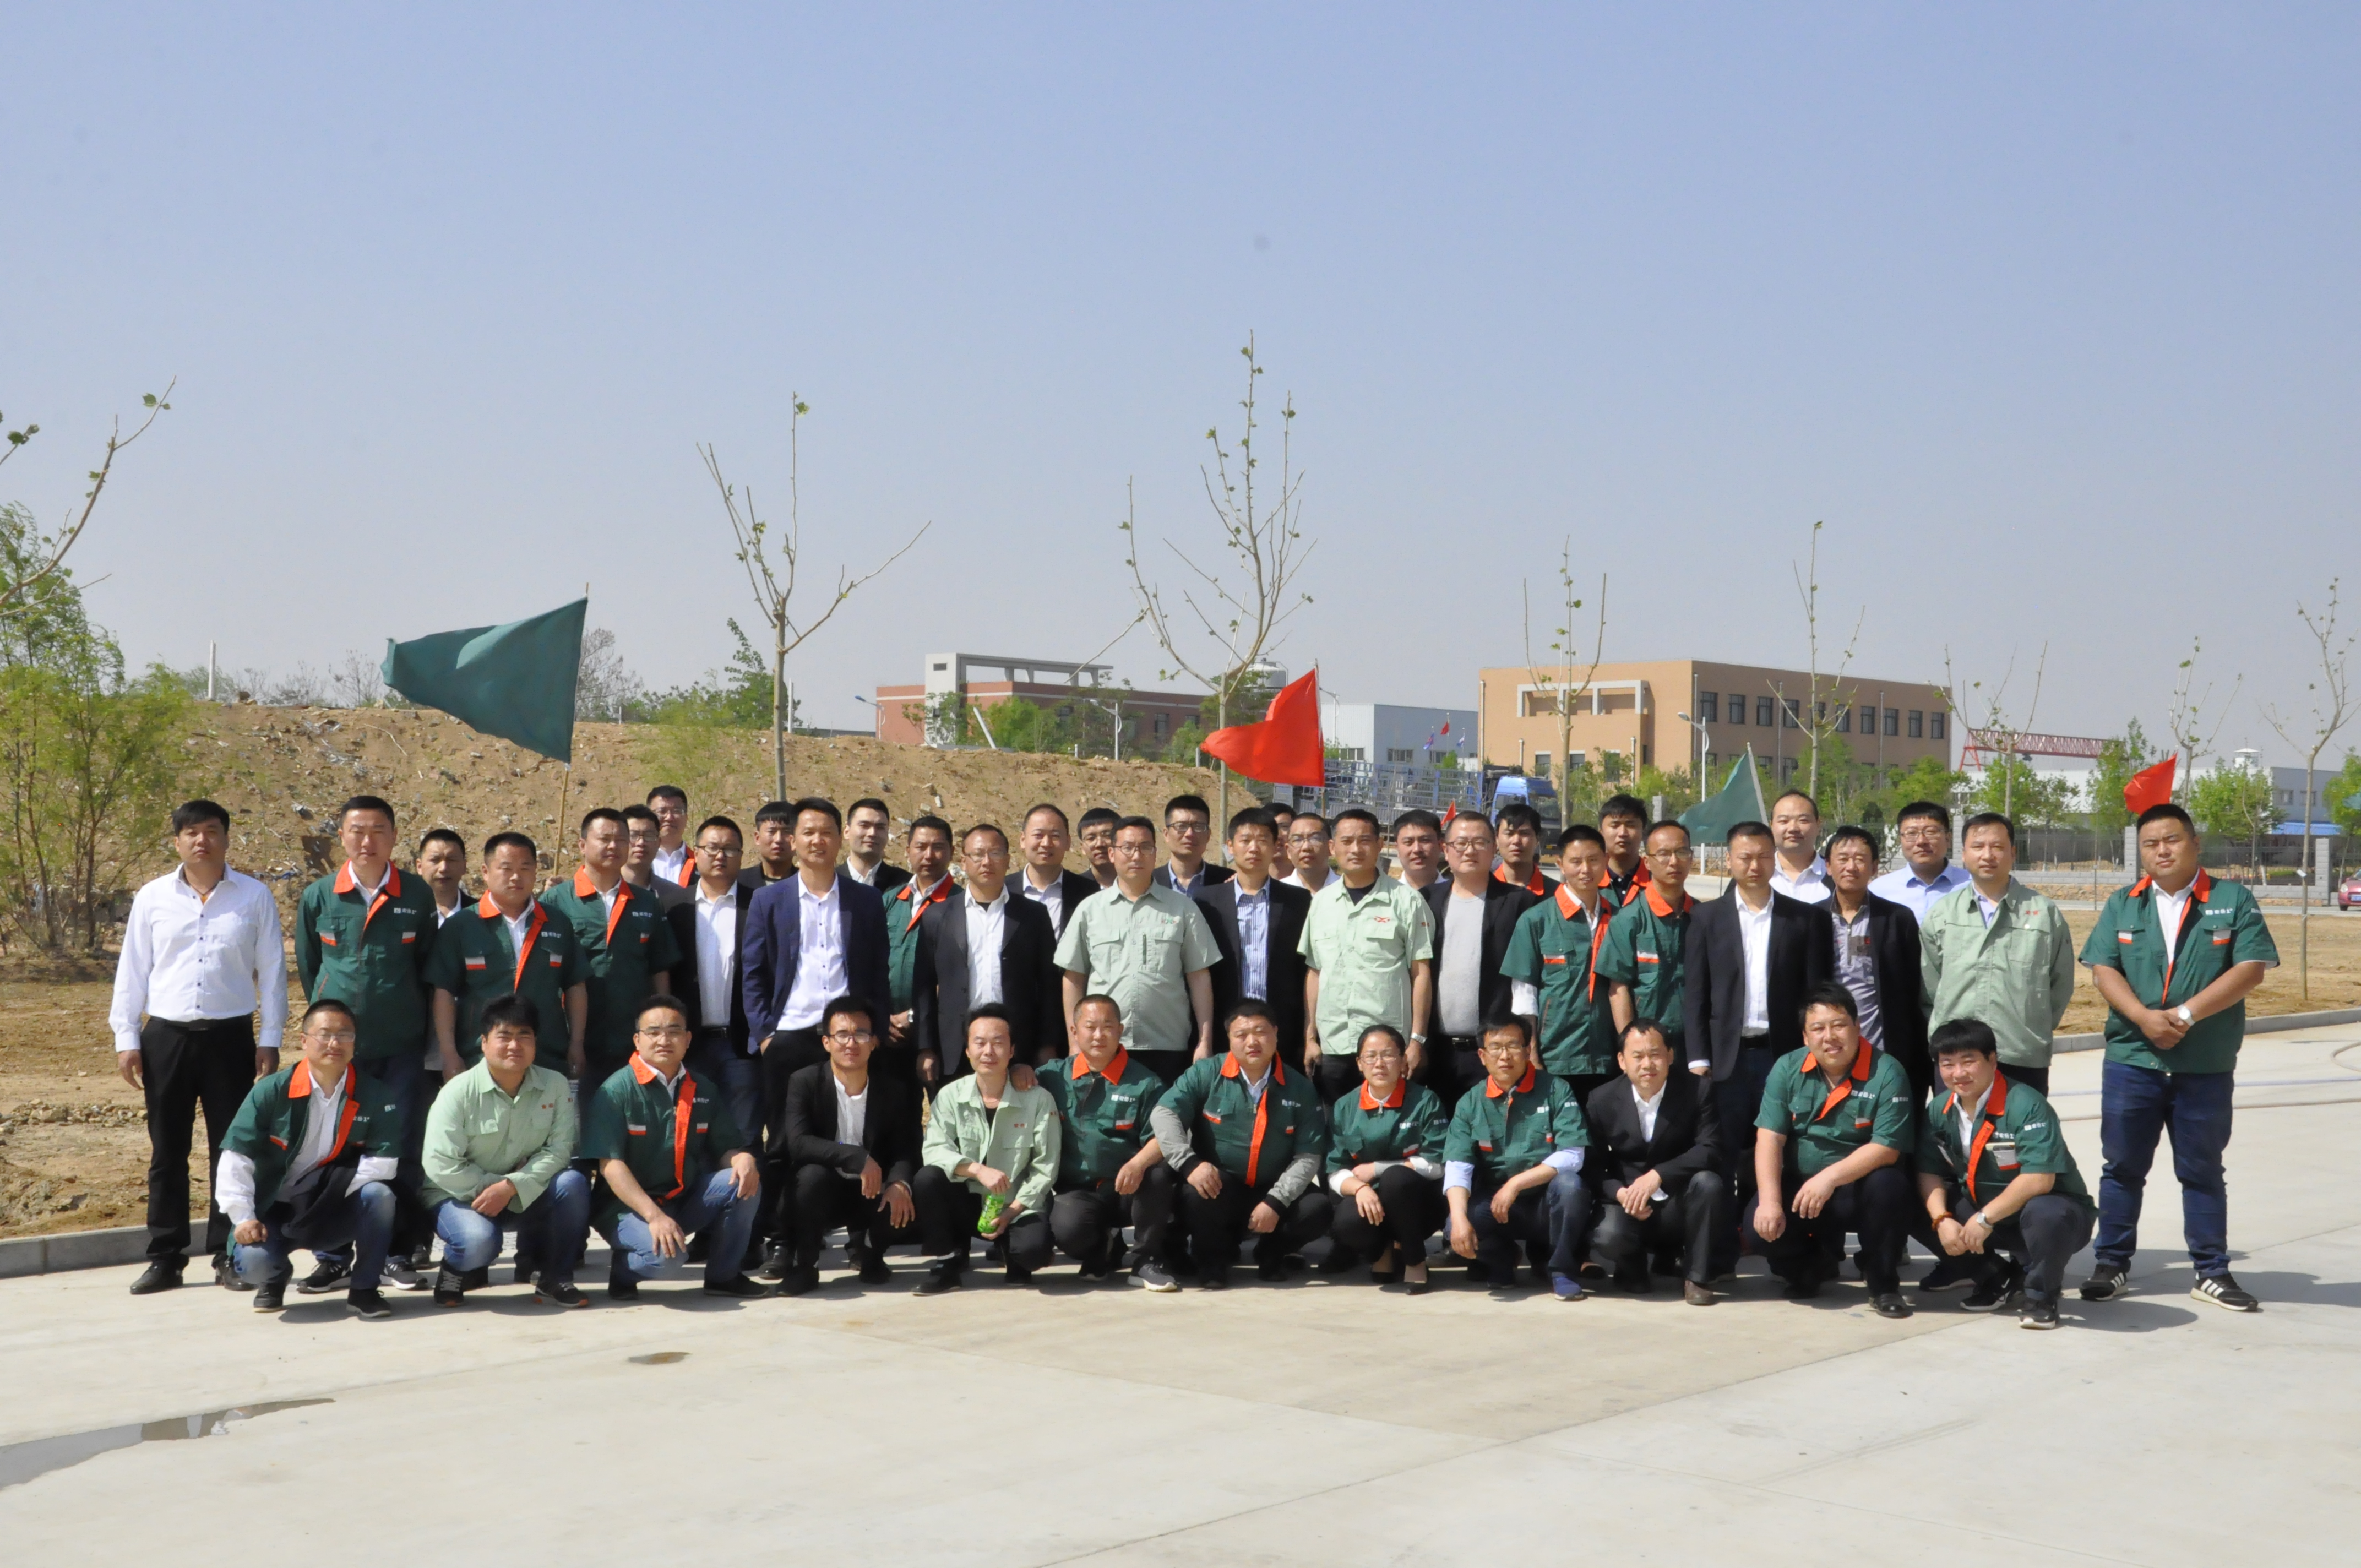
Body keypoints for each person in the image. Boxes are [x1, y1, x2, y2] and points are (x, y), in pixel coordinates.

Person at [2077, 802, 2276, 1312]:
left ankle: (2212, 1271)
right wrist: (2143, 1018)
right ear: (2140, 851)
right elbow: (2103, 969)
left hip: (2204, 1065)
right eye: (2151, 843)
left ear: (2194, 843)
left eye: (2172, 839)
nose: (2162, 850)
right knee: (2122, 1167)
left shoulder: (2232, 900)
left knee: (2202, 1170)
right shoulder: (2123, 903)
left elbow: (2251, 968)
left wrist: (2184, 1015)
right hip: (2133, 1061)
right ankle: (2111, 1265)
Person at [112, 799, 287, 1295]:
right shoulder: (153, 897)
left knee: (230, 1152)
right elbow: (133, 970)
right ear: (177, 842)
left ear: (227, 839)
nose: (201, 841)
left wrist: (270, 1038)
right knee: (168, 1151)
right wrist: (127, 1037)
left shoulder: (254, 896)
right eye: (191, 832)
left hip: (230, 1039)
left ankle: (226, 1254)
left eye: (211, 831)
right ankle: (165, 1258)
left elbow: (273, 973)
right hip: (166, 1037)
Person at [295, 794, 439, 1291]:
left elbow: (426, 968)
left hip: (400, 1048)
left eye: (378, 830)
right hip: (338, 1054)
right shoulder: (319, 896)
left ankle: (398, 1252)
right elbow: (311, 968)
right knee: (333, 1148)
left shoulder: (416, 895)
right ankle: (332, 1254)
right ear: (342, 837)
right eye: (357, 830)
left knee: (399, 1147)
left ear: (394, 837)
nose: (367, 840)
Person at [742, 797, 893, 1254]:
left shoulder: (865, 900)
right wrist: (766, 1035)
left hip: (851, 1039)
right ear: (792, 840)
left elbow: (878, 972)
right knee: (784, 1142)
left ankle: (862, 1237)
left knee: (858, 1134)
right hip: (790, 1036)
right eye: (808, 832)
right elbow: (753, 973)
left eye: (827, 832)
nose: (817, 841)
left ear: (840, 837)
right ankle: (784, 1240)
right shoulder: (769, 900)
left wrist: (875, 1030)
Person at [1684, 818, 1835, 1270]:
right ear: (1729, 860)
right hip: (1724, 1060)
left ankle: (1784, 1252)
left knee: (1782, 1154)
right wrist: (1698, 1059)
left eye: (1763, 857)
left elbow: (1817, 995)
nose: (1755, 865)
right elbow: (1696, 994)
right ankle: (1718, 1258)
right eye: (1745, 857)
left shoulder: (1805, 919)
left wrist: (1814, 1057)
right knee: (1723, 1155)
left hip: (1783, 1057)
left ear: (1775, 859)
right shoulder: (1706, 918)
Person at [216, 999, 400, 1319]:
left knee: (380, 1196)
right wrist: (243, 1217)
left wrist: (323, 1197)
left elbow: (384, 1163)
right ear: (304, 1040)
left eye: (345, 1035)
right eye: (324, 1034)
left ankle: (365, 1290)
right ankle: (274, 1279)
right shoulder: (272, 1091)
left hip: (330, 1205)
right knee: (255, 1265)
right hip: (274, 1209)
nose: (335, 1044)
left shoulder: (375, 1094)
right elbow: (237, 1157)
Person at [1912, 1019, 2097, 1329]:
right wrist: (1941, 1220)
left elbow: (2040, 1179)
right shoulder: (1940, 1108)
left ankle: (2040, 1296)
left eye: (1968, 1061)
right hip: (1986, 1209)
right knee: (1909, 1196)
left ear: (1992, 1060)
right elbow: (1929, 1169)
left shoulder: (2026, 1104)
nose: (1958, 1073)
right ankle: (1992, 1276)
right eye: (1948, 1064)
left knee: (2046, 1213)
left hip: (2049, 1214)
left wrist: (1985, 1219)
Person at [580, 995, 767, 1300]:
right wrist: (654, 1217)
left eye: (674, 1031)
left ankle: (724, 1276)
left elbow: (726, 1147)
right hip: (627, 1208)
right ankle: (623, 1271)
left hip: (681, 1199)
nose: (664, 1040)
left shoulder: (702, 1087)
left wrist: (743, 1159)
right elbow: (611, 1166)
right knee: (667, 1261)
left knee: (743, 1181)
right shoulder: (615, 1091)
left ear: (688, 1039)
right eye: (653, 1032)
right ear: (637, 1040)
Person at [1746, 983, 1916, 1317]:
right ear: (1805, 1036)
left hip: (1855, 1188)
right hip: (1801, 1187)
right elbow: (1769, 1138)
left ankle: (1883, 1283)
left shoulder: (1887, 1071)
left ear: (1857, 1027)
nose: (1830, 1037)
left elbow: (1886, 1148)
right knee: (1758, 1230)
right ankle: (1812, 1264)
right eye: (1818, 1028)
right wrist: (1770, 1202)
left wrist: (1829, 1179)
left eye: (1839, 1025)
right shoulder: (1787, 1067)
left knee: (1890, 1186)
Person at [420, 996, 591, 1308]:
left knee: (573, 1183)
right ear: (484, 1043)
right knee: (478, 1242)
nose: (515, 1045)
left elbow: (560, 1150)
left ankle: (555, 1277)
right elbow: (441, 1163)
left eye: (524, 1035)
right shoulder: (457, 1092)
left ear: (536, 1043)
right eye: (504, 1036)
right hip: (459, 1194)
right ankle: (454, 1270)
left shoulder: (555, 1085)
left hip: (520, 1191)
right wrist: (495, 1187)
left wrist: (511, 1186)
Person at [1150, 1000, 1334, 1288]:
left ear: (1276, 1033)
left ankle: (1272, 1253)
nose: (1252, 1042)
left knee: (1317, 1208)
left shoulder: (1300, 1087)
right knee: (1196, 1192)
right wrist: (1189, 1163)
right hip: (1221, 1186)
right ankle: (1212, 1262)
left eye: (1260, 1032)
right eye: (1242, 1034)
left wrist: (1276, 1201)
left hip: (1272, 1186)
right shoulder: (1206, 1073)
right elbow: (1164, 1114)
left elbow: (1308, 1156)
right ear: (1229, 1039)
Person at [1054, 815, 1221, 1087]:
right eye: (1127, 847)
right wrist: (1075, 1043)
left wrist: (1204, 1042)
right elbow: (1073, 978)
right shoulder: (1090, 910)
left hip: (1167, 1045)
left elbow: (1199, 977)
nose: (1136, 855)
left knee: (1165, 1114)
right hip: (1104, 1046)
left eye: (1145, 847)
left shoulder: (1182, 908)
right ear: (1112, 854)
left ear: (1155, 853)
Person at [773, 996, 922, 1294]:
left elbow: (906, 1148)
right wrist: (855, 1157)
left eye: (861, 1034)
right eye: (842, 1035)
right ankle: (806, 1265)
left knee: (904, 1189)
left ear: (874, 1042)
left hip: (872, 1191)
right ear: (827, 1042)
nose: (851, 1043)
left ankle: (872, 1254)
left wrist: (900, 1183)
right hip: (824, 1189)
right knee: (810, 1177)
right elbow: (798, 1143)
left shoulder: (893, 1090)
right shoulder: (804, 1082)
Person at [1920, 812, 2076, 1093]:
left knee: (2022, 1122)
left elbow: (2060, 984)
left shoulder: (2044, 913)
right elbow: (1930, 984)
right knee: (1958, 1123)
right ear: (1964, 854)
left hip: (2021, 1054)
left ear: (2013, 853)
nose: (1988, 855)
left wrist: (2032, 1026)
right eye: (1978, 847)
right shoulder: (1943, 913)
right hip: (1957, 1058)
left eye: (1998, 847)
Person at [912, 1006, 1061, 1293]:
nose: (988, 1051)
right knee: (928, 1178)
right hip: (967, 1203)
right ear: (968, 1050)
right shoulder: (950, 1095)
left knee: (1033, 1255)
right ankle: (948, 1262)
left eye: (998, 1042)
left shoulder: (1038, 1100)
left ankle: (1011, 1251)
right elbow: (934, 1149)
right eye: (979, 1043)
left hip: (1016, 1205)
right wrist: (977, 1170)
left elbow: (1045, 1168)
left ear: (1012, 1050)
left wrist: (1010, 1214)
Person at [1443, 1015, 1592, 1299]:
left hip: (1545, 1199)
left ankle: (1561, 1271)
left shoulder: (1556, 1090)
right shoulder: (1470, 1102)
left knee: (1571, 1187)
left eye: (1513, 1046)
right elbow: (1458, 1165)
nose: (1505, 1056)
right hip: (1497, 1204)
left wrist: (1516, 1184)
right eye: (1496, 1048)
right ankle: (1501, 1261)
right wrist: (1459, 1218)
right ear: (1482, 1056)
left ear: (1527, 1050)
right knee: (1455, 1222)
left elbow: (1573, 1155)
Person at [1040, 993, 1177, 1289]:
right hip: (1079, 1190)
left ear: (1121, 1030)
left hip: (1130, 1188)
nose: (1099, 1035)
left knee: (1157, 1173)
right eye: (1090, 1027)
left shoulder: (1145, 1082)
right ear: (1074, 1031)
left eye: (1108, 1027)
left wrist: (1138, 1164)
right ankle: (1103, 1247)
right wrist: (1019, 1071)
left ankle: (1145, 1261)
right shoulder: (1052, 1076)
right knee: (1068, 1233)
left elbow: (1165, 1137)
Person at [1584, 1019, 1724, 1304]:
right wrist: (1621, 1193)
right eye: (1637, 1056)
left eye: (1655, 1054)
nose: (1647, 1064)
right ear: (1622, 1061)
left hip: (1677, 1197)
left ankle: (1696, 1277)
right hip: (1628, 1201)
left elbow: (1711, 1148)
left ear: (1671, 1056)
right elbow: (1592, 1164)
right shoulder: (1601, 1099)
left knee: (1709, 1184)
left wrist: (1659, 1175)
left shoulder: (1698, 1090)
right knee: (1608, 1235)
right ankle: (1630, 1266)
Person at [429, 831, 589, 1080]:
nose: (516, 877)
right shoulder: (462, 926)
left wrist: (576, 1043)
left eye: (525, 868)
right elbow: (444, 992)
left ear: (535, 871)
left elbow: (575, 985)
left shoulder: (557, 922)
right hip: (480, 1059)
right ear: (485, 872)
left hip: (546, 1056)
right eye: (506, 869)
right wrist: (449, 1053)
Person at [1301, 808, 1437, 1099]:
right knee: (1337, 1120)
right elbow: (1315, 972)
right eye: (1347, 841)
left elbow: (1421, 973)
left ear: (1379, 845)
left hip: (1387, 1050)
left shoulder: (1407, 901)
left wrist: (1416, 1040)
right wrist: (1310, 1037)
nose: (1356, 849)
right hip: (1335, 1043)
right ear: (1332, 847)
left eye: (1364, 841)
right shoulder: (1321, 903)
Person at [539, 808, 680, 1088]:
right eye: (605, 839)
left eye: (621, 840)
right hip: (571, 1038)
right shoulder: (555, 902)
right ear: (583, 845)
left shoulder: (647, 902)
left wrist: (662, 1022)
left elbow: (659, 967)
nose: (614, 846)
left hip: (631, 1036)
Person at [911, 823, 1063, 1080]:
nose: (987, 862)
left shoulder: (1033, 915)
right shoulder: (938, 916)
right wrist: (926, 1048)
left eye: (995, 853)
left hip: (1017, 1045)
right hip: (955, 1048)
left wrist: (1047, 1045)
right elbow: (923, 986)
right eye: (978, 854)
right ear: (964, 861)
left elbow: (1049, 984)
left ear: (1008, 860)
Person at [1325, 1025, 1450, 1292]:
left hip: (1419, 1202)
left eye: (1388, 1055)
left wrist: (1378, 1169)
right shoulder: (1344, 1107)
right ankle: (1381, 1252)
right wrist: (1360, 1188)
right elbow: (1336, 1170)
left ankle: (1415, 1259)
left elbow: (1438, 1164)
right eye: (1370, 1056)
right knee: (1347, 1221)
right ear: (1359, 1064)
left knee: (1396, 1179)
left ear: (1403, 1061)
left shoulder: (1425, 1101)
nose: (1379, 1064)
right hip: (1370, 1199)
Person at [1423, 811, 1537, 1103]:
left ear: (1494, 848)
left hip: (1495, 1051)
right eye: (1460, 843)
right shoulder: (1426, 900)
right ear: (1445, 849)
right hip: (1436, 1051)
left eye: (1480, 842)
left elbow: (1528, 979)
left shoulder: (1520, 903)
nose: (1470, 851)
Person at [1502, 826, 1619, 1107]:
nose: (1585, 870)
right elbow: (1524, 996)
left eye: (1593, 860)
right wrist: (1532, 1055)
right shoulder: (1537, 920)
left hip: (1610, 1058)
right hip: (1555, 1057)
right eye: (1576, 861)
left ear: (1606, 861)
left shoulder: (1620, 919)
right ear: (1560, 865)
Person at [665, 816, 759, 1148]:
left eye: (730, 849)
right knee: (691, 1137)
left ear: (742, 855)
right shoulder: (674, 907)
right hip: (690, 1043)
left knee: (744, 1136)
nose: (721, 856)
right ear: (697, 853)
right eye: (712, 848)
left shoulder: (759, 904)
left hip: (742, 1044)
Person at [1195, 807, 1312, 1075]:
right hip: (1224, 1028)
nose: (1254, 848)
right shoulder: (1206, 901)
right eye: (1245, 840)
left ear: (1276, 846)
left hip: (1281, 1029)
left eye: (1262, 840)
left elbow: (1305, 969)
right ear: (1230, 846)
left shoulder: (1298, 901)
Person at [1822, 826, 1928, 1100]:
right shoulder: (1812, 919)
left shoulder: (1897, 919)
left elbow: (1914, 988)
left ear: (1874, 867)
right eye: (1843, 859)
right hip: (1828, 1047)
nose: (1851, 867)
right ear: (1829, 867)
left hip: (1884, 1046)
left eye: (1860, 859)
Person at [1597, 821, 1699, 1061]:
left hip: (1694, 1045)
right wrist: (1633, 1047)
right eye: (1663, 854)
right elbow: (1618, 989)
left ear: (1691, 858)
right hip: (1649, 1049)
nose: (1674, 862)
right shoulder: (1629, 920)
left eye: (1682, 852)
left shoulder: (1701, 916)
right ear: (1647, 861)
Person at [882, 814, 955, 1059]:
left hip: (937, 1036)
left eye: (938, 847)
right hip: (884, 1031)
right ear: (908, 851)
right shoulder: (891, 899)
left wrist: (913, 1016)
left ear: (952, 852)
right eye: (921, 847)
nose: (929, 855)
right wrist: (881, 1015)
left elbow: (958, 976)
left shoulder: (961, 904)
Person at [1868, 801, 1972, 918]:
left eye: (1931, 832)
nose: (1921, 841)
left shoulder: (1973, 885)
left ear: (1948, 839)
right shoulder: (1879, 891)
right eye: (1911, 833)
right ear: (1900, 840)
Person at [1014, 802, 1101, 941]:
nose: (1046, 843)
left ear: (1068, 842)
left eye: (1055, 836)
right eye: (1038, 835)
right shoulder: (1003, 890)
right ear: (1023, 840)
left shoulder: (1090, 893)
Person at [1153, 792, 1233, 895]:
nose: (1190, 834)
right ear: (1166, 834)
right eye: (1181, 826)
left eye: (1198, 827)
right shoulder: (1148, 883)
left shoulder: (1228, 883)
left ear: (1208, 835)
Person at [620, 804, 691, 911]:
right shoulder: (604, 891)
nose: (641, 843)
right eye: (633, 836)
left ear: (658, 843)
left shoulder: (676, 896)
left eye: (649, 836)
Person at [1767, 791, 1831, 904]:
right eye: (1784, 821)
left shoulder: (1836, 876)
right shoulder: (1755, 876)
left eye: (1803, 820)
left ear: (1818, 825)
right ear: (1771, 826)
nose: (1793, 828)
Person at [843, 797, 912, 894]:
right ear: (847, 831)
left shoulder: (907, 885)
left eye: (880, 828)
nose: (872, 833)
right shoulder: (829, 882)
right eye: (864, 826)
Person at [1596, 793, 1652, 906]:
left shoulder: (1657, 882)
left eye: (1631, 825)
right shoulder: (1590, 882)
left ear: (1644, 832)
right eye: (1615, 825)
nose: (1622, 833)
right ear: (1601, 833)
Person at [1492, 802, 1549, 895]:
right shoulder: (1482, 890)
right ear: (1497, 839)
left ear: (1538, 839)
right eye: (1509, 834)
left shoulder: (1556, 895)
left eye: (1524, 833)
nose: (1516, 841)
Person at [740, 799, 798, 889]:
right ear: (757, 838)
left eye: (787, 832)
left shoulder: (809, 883)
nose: (778, 839)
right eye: (772, 832)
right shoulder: (738, 882)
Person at [415, 829, 468, 925]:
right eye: (435, 860)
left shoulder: (481, 916)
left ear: (464, 866)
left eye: (451, 860)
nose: (444, 868)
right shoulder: (405, 914)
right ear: (419, 866)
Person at [646, 785, 693, 886]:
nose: (669, 818)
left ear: (686, 817)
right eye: (662, 811)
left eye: (676, 811)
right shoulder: (633, 863)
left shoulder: (700, 864)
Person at [1389, 809, 1444, 892]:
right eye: (1408, 842)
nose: (1417, 849)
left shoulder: (1456, 895)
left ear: (1440, 845)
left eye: (1425, 840)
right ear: (1397, 848)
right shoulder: (1386, 896)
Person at [1282, 811, 1334, 893]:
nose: (1306, 847)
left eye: (1315, 839)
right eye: (1297, 840)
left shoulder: (1348, 890)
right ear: (1288, 851)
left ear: (1330, 847)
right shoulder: (1275, 893)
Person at [1077, 806, 1122, 889]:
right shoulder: (1073, 889)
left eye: (1107, 835)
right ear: (1082, 848)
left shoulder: (1143, 883)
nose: (1099, 844)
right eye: (1091, 838)